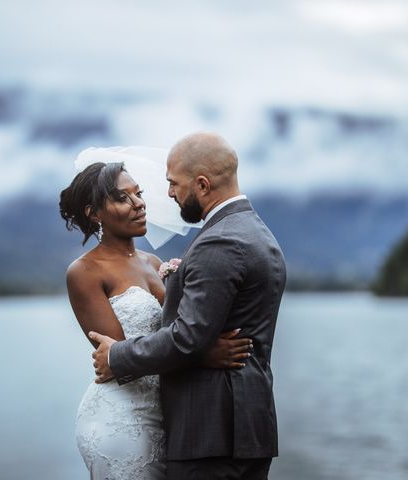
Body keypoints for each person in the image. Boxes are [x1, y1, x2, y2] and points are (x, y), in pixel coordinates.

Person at [90, 132, 287, 480]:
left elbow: (187, 338)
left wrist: (116, 356)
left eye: (174, 184)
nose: (168, 194)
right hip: (248, 427)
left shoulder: (221, 241)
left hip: (211, 433)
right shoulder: (256, 231)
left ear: (202, 184)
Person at [60, 159, 254, 479]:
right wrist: (204, 355)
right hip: (119, 417)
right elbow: (118, 355)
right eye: (123, 198)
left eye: (139, 193)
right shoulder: (84, 272)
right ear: (94, 213)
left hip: (166, 416)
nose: (139, 204)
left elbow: (179, 330)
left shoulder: (154, 262)